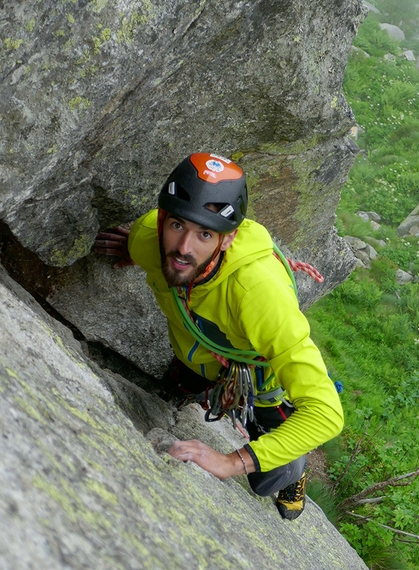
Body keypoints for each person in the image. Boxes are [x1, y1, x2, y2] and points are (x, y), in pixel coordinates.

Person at [94, 152, 344, 520]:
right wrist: (136, 250)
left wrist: (230, 462)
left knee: (268, 468)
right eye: (177, 225)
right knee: (179, 381)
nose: (183, 249)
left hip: (256, 373)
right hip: (195, 356)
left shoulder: (258, 293)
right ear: (162, 219)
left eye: (205, 234)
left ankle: (294, 472)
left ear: (228, 240)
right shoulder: (149, 238)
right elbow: (152, 243)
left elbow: (325, 413)